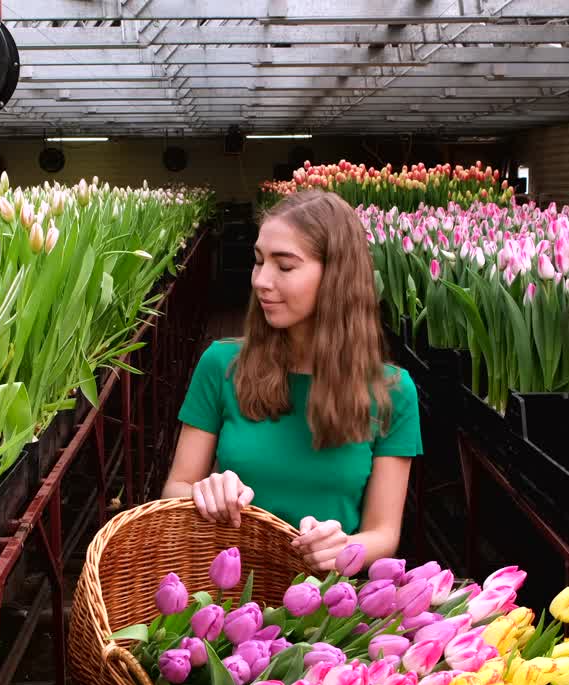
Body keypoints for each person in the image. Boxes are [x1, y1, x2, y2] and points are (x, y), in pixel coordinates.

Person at [160, 190, 422, 572]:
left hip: (326, 602)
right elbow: (176, 488)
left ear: (336, 277)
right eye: (258, 261)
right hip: (226, 593)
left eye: (284, 267)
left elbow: (383, 532)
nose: (261, 281)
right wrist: (203, 492)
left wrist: (345, 548)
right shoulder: (221, 364)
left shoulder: (392, 391)